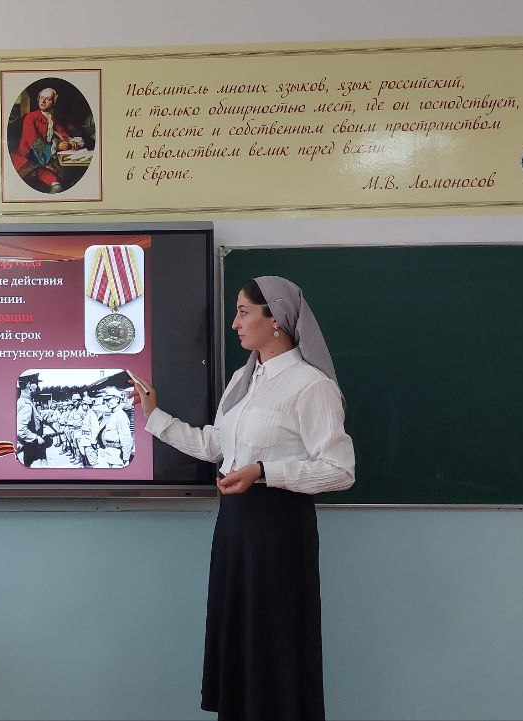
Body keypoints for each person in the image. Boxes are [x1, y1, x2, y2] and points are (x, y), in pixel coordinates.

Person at [129, 276, 355, 720]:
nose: (234, 323)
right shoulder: (244, 379)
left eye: (244, 312)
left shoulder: (311, 385)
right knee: (239, 632)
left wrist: (265, 472)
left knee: (274, 636)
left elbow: (340, 470)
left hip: (278, 530)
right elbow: (218, 447)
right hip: (235, 526)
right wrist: (155, 417)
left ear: (276, 320)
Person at [10, 87, 85, 193]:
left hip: (47, 152)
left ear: (54, 102)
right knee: (44, 170)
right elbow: (34, 141)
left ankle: (56, 184)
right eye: (42, 98)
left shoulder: (52, 117)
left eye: (48, 99)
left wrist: (70, 141)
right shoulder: (31, 117)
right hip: (30, 153)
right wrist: (56, 146)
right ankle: (54, 184)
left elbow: (61, 132)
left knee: (67, 171)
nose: (43, 101)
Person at [15, 374, 47, 467]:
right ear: (29, 385)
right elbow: (21, 430)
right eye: (36, 383)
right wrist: (36, 438)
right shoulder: (26, 404)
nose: (37, 386)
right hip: (31, 448)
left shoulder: (25, 401)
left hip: (30, 447)